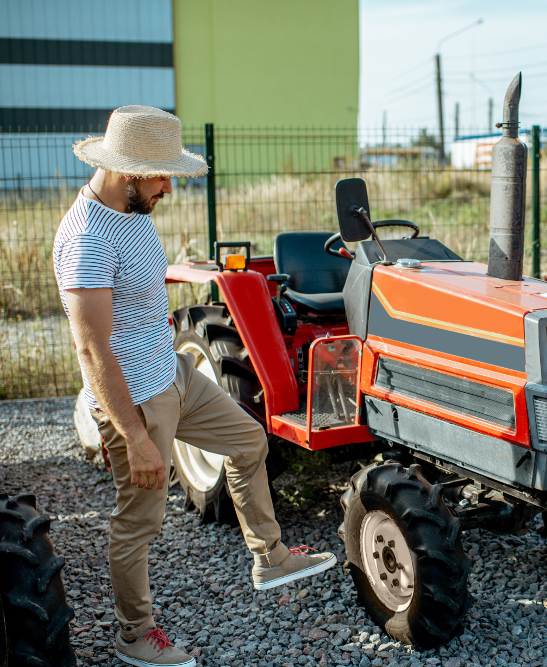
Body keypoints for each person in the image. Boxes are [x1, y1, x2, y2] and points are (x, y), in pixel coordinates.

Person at [54, 105, 336, 667]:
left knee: (249, 440)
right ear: (129, 173)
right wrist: (134, 436)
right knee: (140, 521)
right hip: (134, 397)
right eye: (161, 177)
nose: (168, 188)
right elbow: (92, 349)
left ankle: (270, 555)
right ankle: (135, 635)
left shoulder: (131, 212)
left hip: (173, 373)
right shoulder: (85, 238)